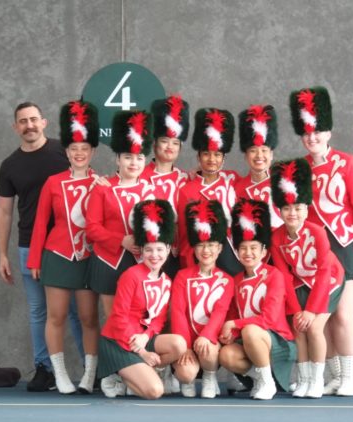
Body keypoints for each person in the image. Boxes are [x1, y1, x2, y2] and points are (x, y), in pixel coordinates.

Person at [289, 87, 353, 396]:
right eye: (306, 133)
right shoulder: (298, 168)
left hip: (348, 245)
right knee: (322, 317)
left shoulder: (346, 163)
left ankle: (350, 377)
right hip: (317, 252)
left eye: (317, 131)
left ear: (328, 132)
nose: (312, 137)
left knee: (343, 313)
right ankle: (336, 375)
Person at [0, 102, 84, 392]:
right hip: (27, 246)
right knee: (38, 310)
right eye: (23, 121)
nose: (29, 125)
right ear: (15, 127)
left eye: (34, 119)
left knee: (76, 311)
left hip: (68, 247)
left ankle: (90, 370)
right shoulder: (10, 165)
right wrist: (2, 254)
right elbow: (4, 211)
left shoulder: (65, 153)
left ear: (44, 122)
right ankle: (44, 369)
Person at [27, 100, 101, 394]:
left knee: (88, 318)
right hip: (57, 256)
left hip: (89, 258)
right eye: (73, 149)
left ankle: (89, 375)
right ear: (66, 152)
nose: (79, 153)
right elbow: (40, 223)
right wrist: (35, 260)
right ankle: (60, 375)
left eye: (84, 149)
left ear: (92, 151)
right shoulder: (53, 183)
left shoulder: (103, 183)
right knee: (55, 316)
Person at [85, 109, 155, 397]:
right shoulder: (102, 188)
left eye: (139, 158)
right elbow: (92, 229)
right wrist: (121, 240)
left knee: (137, 320)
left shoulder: (151, 190)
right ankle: (111, 374)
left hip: (140, 264)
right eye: (128, 157)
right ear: (117, 159)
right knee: (114, 320)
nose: (133, 163)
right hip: (109, 261)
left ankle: (133, 372)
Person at [270, 158, 345, 398]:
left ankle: (316, 379)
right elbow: (282, 275)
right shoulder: (277, 236)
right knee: (298, 328)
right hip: (301, 282)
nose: (293, 213)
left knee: (313, 328)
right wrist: (294, 310)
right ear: (279, 209)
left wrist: (311, 310)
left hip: (329, 281)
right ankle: (303, 380)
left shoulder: (317, 232)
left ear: (307, 208)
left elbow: (324, 271)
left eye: (298, 208)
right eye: (287, 208)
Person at [97, 200, 187, 399]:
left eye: (159, 250)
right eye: (148, 250)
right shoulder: (131, 275)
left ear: (167, 250)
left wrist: (147, 337)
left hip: (142, 338)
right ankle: (118, 374)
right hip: (119, 341)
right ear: (142, 252)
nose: (154, 255)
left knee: (179, 345)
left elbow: (159, 319)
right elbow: (119, 318)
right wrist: (143, 353)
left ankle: (141, 373)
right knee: (155, 392)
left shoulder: (166, 281)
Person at [218, 200, 296, 400]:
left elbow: (269, 319)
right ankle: (263, 377)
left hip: (277, 340)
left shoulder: (274, 275)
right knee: (226, 354)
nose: (248, 253)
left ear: (264, 252)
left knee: (250, 330)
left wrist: (235, 324)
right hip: (249, 341)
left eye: (254, 248)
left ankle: (268, 382)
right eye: (243, 248)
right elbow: (235, 314)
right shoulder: (235, 281)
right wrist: (230, 332)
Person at [171, 200, 234, 398]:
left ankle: (209, 376)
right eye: (201, 245)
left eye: (211, 245)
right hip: (187, 339)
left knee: (209, 351)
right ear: (194, 249)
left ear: (220, 249)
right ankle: (185, 379)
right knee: (186, 374)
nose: (206, 251)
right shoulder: (182, 276)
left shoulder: (227, 280)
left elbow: (220, 312)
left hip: (209, 341)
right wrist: (186, 346)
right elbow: (178, 311)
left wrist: (207, 335)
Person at [177, 108, 241, 276]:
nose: (212, 159)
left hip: (234, 256)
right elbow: (185, 235)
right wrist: (189, 266)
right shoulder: (187, 190)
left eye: (217, 154)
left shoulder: (233, 180)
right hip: (203, 258)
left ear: (223, 158)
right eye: (206, 154)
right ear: (198, 158)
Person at [143, 95, 191, 279]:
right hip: (148, 254)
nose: (170, 146)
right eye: (164, 141)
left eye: (175, 143)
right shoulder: (139, 176)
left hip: (178, 252)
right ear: (154, 144)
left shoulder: (186, 178)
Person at [234, 104, 283, 229]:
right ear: (245, 156)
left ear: (271, 154)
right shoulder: (238, 189)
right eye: (253, 150)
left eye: (264, 150)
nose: (259, 155)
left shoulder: (284, 183)